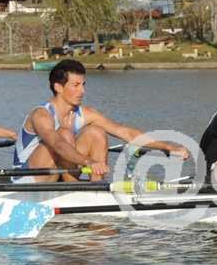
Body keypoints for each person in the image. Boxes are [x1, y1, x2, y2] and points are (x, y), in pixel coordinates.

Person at [13, 59, 189, 182]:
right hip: (28, 178)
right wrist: (89, 162)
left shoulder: (86, 113)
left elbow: (126, 133)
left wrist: (167, 147)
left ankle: (94, 186)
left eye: (83, 84)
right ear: (58, 87)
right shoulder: (41, 115)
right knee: (64, 134)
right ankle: (75, 190)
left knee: (96, 132)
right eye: (76, 85)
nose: (82, 91)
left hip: (59, 175)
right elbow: (58, 145)